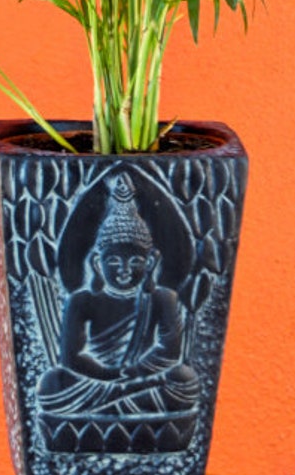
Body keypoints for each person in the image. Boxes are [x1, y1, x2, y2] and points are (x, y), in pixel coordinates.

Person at [38, 175, 200, 444]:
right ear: (97, 263)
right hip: (96, 383)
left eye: (135, 262)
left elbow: (170, 352)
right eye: (113, 261)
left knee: (184, 378)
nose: (124, 270)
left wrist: (135, 375)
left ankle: (105, 416)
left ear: (150, 263)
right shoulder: (81, 301)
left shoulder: (163, 298)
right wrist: (107, 375)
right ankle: (126, 414)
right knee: (52, 383)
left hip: (144, 379)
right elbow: (71, 357)